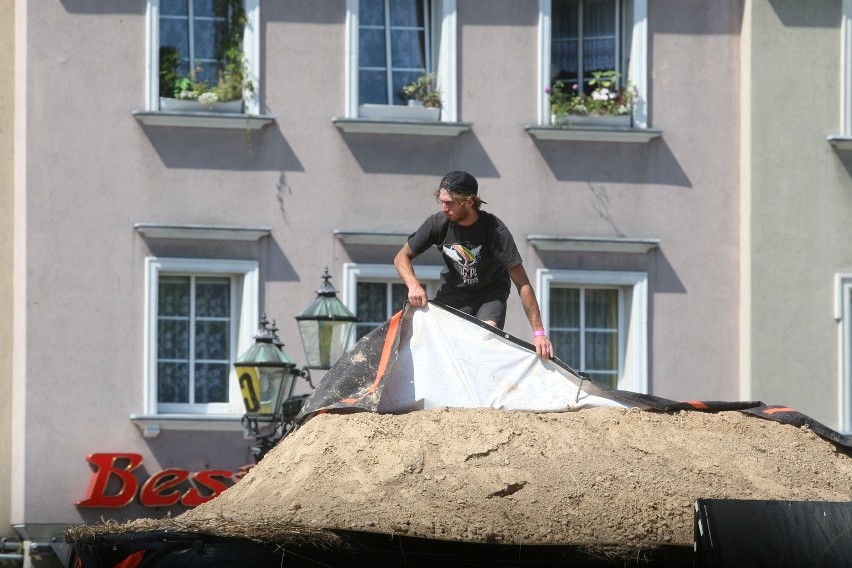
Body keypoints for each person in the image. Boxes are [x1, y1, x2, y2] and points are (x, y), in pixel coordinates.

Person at [394, 171, 554, 358]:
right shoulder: (438, 224)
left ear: (469, 202)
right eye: (441, 201)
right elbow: (401, 257)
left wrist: (539, 333)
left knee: (483, 338)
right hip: (454, 292)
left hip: (489, 294)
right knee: (435, 344)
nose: (444, 208)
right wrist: (413, 284)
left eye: (449, 203)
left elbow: (522, 283)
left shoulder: (495, 231)